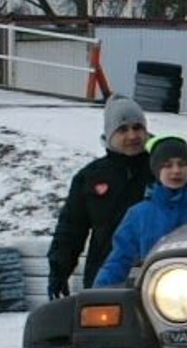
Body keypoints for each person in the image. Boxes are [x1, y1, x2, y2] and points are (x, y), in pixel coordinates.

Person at [46, 95, 154, 298]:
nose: (132, 136)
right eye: (123, 129)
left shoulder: (163, 171)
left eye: (137, 127)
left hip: (159, 278)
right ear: (109, 135)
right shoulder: (90, 177)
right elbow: (71, 229)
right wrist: (59, 272)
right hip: (106, 277)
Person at [93, 135, 187, 287]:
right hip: (154, 295)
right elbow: (120, 260)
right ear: (157, 171)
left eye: (182, 164)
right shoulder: (139, 215)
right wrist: (99, 292)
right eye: (167, 165)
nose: (176, 171)